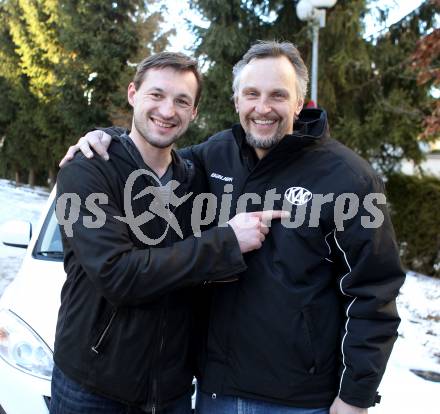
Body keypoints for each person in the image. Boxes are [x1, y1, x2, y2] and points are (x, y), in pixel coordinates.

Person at [62, 41, 405, 414]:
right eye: (251, 94)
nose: (263, 107)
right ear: (236, 101)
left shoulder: (349, 178)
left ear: (298, 102)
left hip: (296, 400)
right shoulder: (211, 157)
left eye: (277, 95)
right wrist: (105, 137)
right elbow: (148, 151)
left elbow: (374, 291)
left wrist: (356, 395)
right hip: (213, 392)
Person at [52, 51, 287, 414]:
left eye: (182, 101)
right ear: (133, 94)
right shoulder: (89, 172)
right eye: (156, 95)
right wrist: (225, 242)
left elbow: (264, 135)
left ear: (193, 113)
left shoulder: (195, 179)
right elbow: (117, 275)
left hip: (171, 394)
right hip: (93, 388)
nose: (167, 110)